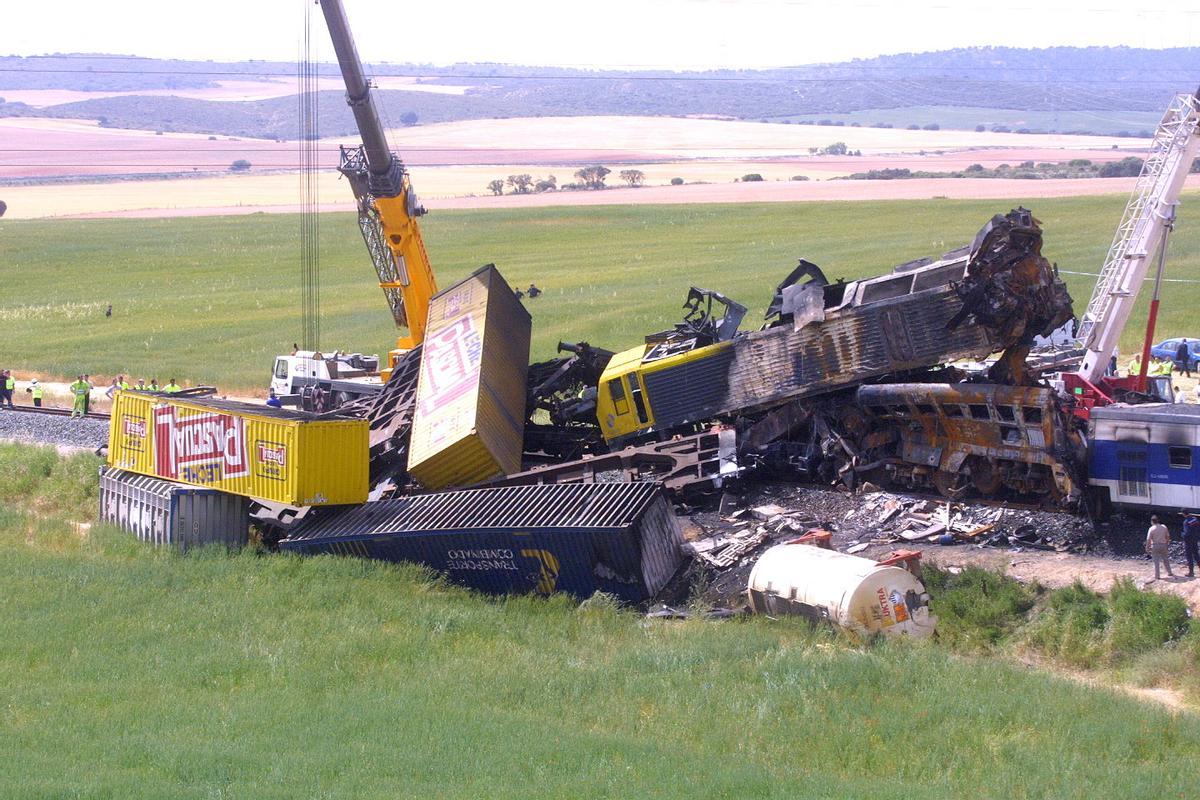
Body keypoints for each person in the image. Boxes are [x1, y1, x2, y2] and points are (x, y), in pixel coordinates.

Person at [1145, 515, 1175, 581]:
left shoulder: (1151, 528)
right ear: (1158, 520)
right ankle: (1169, 572)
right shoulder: (1164, 527)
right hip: (1163, 545)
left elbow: (1148, 539)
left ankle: (1157, 576)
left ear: (1152, 521)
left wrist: (1147, 547)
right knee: (1165, 559)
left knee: (1156, 561)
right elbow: (1168, 536)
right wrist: (1167, 544)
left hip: (1155, 545)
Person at [1182, 513, 1200, 578]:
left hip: (1188, 541)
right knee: (1196, 555)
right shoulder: (1195, 519)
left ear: (1183, 514)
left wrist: (1182, 535)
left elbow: (1186, 533)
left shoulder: (1186, 522)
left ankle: (1191, 572)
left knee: (1189, 556)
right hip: (1195, 540)